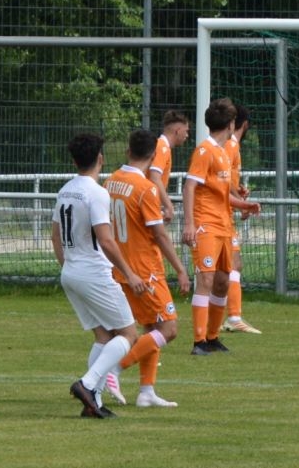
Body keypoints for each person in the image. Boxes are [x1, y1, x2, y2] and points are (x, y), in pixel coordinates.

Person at [53, 133, 156, 419]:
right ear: (100, 158)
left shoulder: (65, 190)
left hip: (70, 272)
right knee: (129, 334)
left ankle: (94, 401)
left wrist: (69, 267)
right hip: (93, 273)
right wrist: (130, 274)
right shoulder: (97, 193)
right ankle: (87, 384)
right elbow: (107, 240)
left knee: (103, 336)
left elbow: (55, 236)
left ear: (74, 161)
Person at [102, 129, 194, 408]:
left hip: (122, 267)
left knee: (151, 327)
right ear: (154, 155)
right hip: (146, 269)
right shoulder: (145, 188)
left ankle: (146, 392)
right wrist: (180, 269)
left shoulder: (111, 181)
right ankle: (114, 368)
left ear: (128, 151)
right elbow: (160, 235)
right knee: (169, 328)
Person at [181, 99, 261, 356]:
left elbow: (222, 194)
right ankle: (198, 341)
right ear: (231, 124)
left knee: (223, 281)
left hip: (224, 225)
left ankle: (213, 337)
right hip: (206, 225)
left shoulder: (223, 153)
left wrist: (244, 205)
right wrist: (190, 223)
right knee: (206, 279)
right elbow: (189, 187)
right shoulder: (204, 151)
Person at [221, 103, 262, 334]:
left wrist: (238, 192)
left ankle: (229, 318)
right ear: (244, 125)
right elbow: (223, 180)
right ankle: (233, 317)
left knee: (226, 269)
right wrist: (242, 204)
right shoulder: (231, 145)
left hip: (225, 214)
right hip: (220, 217)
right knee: (232, 265)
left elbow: (228, 181)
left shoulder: (229, 146)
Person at [149, 111, 191, 219]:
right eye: (186, 131)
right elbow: (154, 177)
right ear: (178, 131)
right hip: (148, 204)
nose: (187, 135)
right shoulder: (162, 147)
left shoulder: (161, 145)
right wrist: (168, 205)